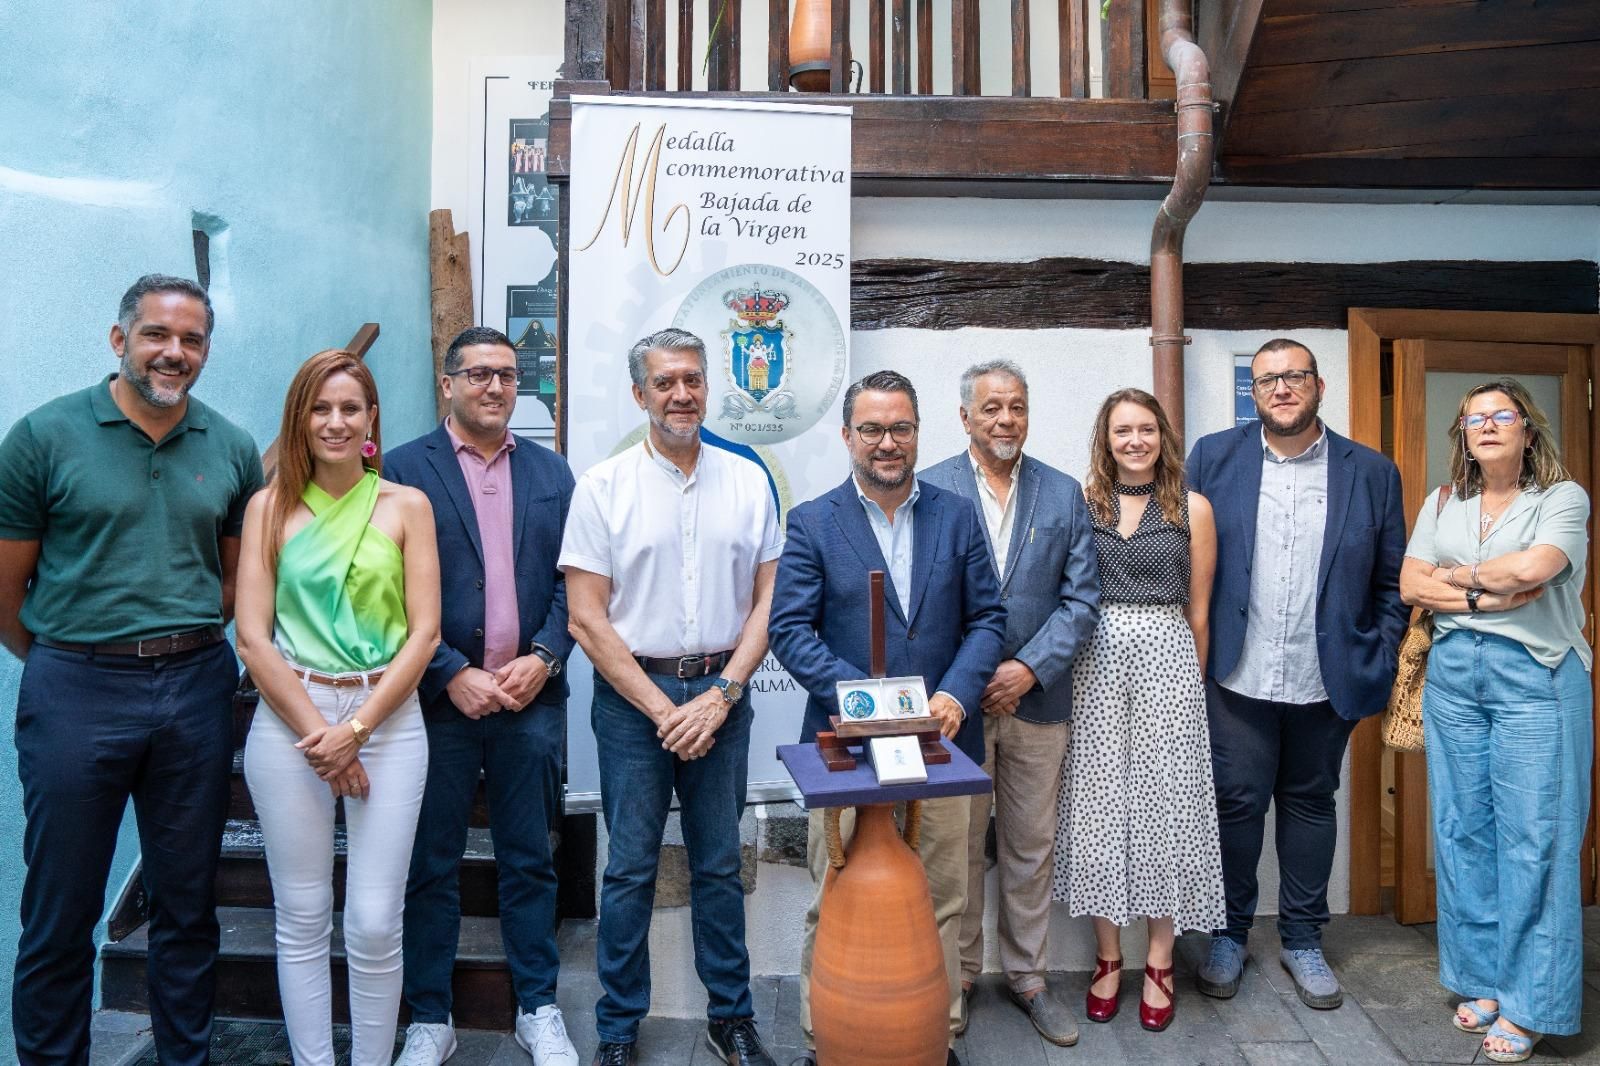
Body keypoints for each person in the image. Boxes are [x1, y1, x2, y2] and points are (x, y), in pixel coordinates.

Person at [0, 275, 263, 1065]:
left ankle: (185, 1058)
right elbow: (7, 589)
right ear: (121, 340)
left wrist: (172, 645)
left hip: (193, 688)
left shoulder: (230, 446)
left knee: (187, 904)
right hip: (75, 689)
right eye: (156, 335)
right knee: (60, 909)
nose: (173, 352)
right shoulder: (44, 437)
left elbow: (232, 580)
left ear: (206, 351)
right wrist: (72, 655)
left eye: (191, 340)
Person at [770, 370, 1007, 1066]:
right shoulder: (814, 521)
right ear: (847, 435)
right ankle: (826, 1041)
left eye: (900, 427)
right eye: (871, 429)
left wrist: (956, 694)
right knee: (835, 896)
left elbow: (987, 618)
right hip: (845, 750)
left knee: (942, 895)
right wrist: (869, 704)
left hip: (940, 742)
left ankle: (937, 1034)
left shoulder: (956, 515)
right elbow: (790, 630)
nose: (886, 443)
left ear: (917, 431)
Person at [560, 328, 782, 1066]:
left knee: (719, 862)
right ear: (639, 394)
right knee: (629, 867)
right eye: (664, 383)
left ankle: (731, 1018)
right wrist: (665, 710)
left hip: (724, 692)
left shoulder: (748, 480)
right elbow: (586, 618)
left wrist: (719, 695)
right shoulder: (603, 486)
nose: (680, 394)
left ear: (707, 386)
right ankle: (619, 1029)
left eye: (691, 379)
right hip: (634, 701)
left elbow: (768, 603)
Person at [1187, 338, 1408, 1009]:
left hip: (1327, 676)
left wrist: (1378, 649)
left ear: (1318, 385)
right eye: (1266, 380)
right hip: (1238, 672)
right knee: (1237, 803)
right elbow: (1185, 559)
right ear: (1252, 393)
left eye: (1294, 377)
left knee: (1312, 803)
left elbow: (1393, 580)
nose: (1281, 389)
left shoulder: (1370, 472)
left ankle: (1303, 939)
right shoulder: (1213, 458)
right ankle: (1230, 934)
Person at [235, 350, 441, 1065]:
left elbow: (426, 634)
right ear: (299, 419)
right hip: (291, 723)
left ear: (372, 420)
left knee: (377, 920)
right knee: (299, 915)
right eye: (319, 408)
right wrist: (323, 735)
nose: (335, 421)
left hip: (386, 718)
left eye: (350, 407)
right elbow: (253, 640)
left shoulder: (407, 506)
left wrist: (354, 731)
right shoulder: (268, 507)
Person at [387, 327, 579, 1065]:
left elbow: (577, 580)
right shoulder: (402, 468)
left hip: (529, 701)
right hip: (436, 704)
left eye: (507, 375)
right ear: (447, 384)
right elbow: (385, 593)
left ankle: (538, 1006)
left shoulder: (553, 473)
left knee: (529, 858)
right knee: (430, 861)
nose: (495, 388)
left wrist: (546, 655)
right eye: (478, 375)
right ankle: (429, 1016)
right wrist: (447, 670)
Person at [1400, 378, 1590, 1064]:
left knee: (1536, 839)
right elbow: (1409, 583)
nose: (1485, 425)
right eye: (1473, 418)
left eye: (1500, 415)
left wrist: (1453, 579)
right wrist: (1486, 589)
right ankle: (1482, 979)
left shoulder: (1562, 500)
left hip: (1536, 679)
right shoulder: (1444, 501)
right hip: (1455, 680)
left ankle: (1533, 1001)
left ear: (1528, 431)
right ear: (1463, 436)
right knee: (1462, 829)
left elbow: (1539, 567)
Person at [920, 360, 1099, 1047]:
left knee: (1030, 847)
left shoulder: (1061, 493)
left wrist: (1028, 667)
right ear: (965, 416)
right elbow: (922, 605)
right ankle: (958, 978)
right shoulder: (930, 487)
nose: (1005, 420)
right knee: (955, 848)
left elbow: (1082, 600)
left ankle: (1028, 977)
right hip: (953, 709)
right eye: (991, 408)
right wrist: (968, 680)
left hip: (1037, 702)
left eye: (1016, 407)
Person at [1052, 388, 1224, 1032]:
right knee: (1098, 803)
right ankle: (1106, 957)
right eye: (1123, 430)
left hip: (1168, 663)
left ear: (1162, 437)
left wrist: (1192, 688)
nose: (1135, 441)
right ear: (1106, 438)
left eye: (1146, 430)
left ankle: (1158, 960)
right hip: (1093, 666)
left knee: (1164, 806)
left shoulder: (1191, 507)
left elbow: (1200, 611)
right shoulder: (1084, 504)